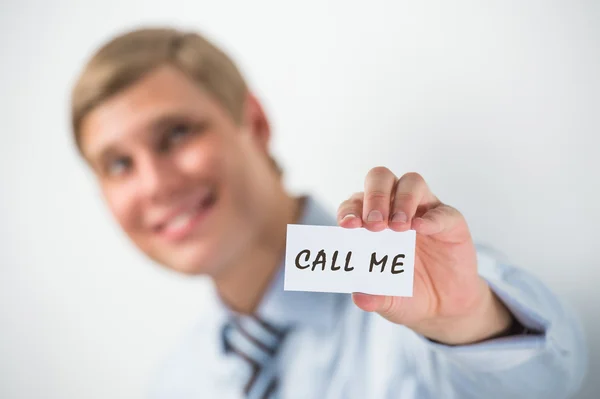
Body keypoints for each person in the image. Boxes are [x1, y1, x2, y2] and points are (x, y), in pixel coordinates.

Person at [70, 27, 587, 399]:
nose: (155, 183)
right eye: (118, 164)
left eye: (177, 133)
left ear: (254, 122)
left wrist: (469, 320)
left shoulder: (414, 292)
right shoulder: (174, 384)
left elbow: (549, 382)